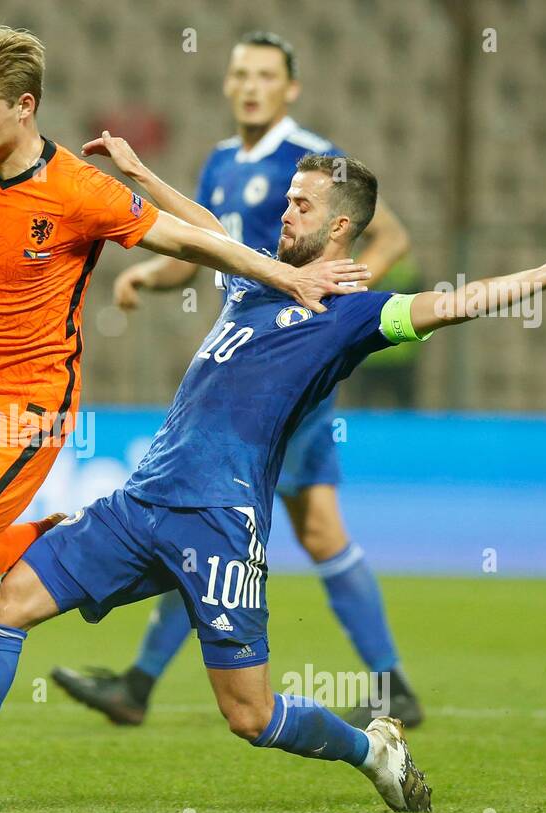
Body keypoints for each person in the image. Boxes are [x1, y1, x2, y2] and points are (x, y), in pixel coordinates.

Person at [0, 145, 546, 812]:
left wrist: (544, 276)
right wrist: (140, 175)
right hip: (142, 503)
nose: (286, 210)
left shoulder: (352, 315)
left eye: (302, 203)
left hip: (221, 521)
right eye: (289, 199)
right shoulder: (255, 282)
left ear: (340, 227)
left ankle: (373, 748)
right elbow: (207, 229)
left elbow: (446, 305)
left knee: (249, 715)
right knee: (3, 604)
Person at [0, 26, 372, 812]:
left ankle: (48, 542)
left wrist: (285, 276)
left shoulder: (79, 190)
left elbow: (190, 238)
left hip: (26, 405)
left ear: (25, 106)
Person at [51, 31, 422, 730]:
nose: (250, 86)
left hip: (288, 367)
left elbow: (392, 237)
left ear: (291, 89)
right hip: (242, 358)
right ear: (227, 85)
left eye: (265, 75)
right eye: (240, 74)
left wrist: (338, 310)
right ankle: (389, 682)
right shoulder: (221, 162)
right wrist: (144, 276)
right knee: (295, 528)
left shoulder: (307, 157)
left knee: (216, 512)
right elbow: (204, 250)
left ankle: (140, 683)